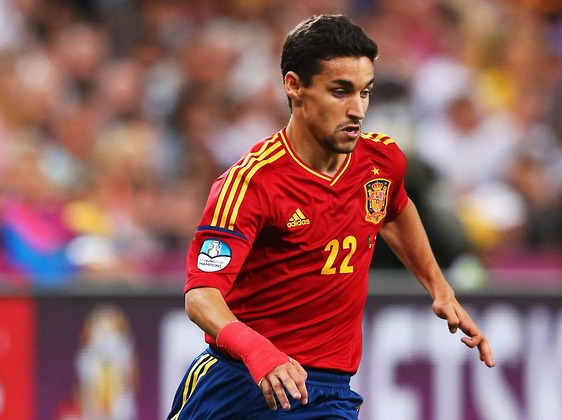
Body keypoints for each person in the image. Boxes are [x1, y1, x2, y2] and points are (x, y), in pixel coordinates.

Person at [168, 14, 494, 420]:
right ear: (294, 86)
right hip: (240, 383)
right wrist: (259, 351)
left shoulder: (381, 161)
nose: (357, 109)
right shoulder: (250, 182)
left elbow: (394, 210)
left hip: (328, 391)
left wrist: (438, 286)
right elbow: (201, 296)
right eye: (340, 92)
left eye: (365, 92)